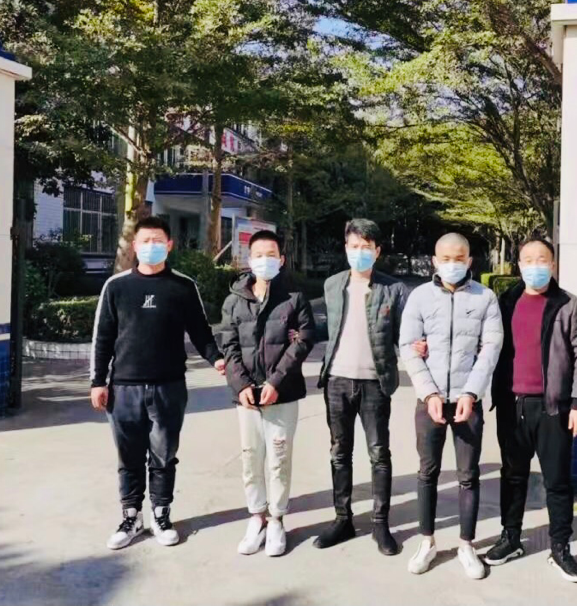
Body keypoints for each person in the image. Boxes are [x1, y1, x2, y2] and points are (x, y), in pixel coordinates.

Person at [91, 216, 226, 550]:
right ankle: (131, 517)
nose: (151, 246)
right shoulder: (117, 287)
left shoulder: (182, 286)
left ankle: (161, 515)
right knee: (129, 457)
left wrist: (217, 359)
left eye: (157, 241)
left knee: (164, 456)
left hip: (169, 387)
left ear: (169, 245)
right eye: (145, 241)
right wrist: (97, 381)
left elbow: (201, 331)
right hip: (123, 389)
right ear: (134, 246)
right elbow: (103, 337)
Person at [484, 237, 577, 583]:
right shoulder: (506, 301)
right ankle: (510, 537)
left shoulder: (568, 304)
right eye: (528, 260)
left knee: (557, 481)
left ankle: (560, 547)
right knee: (512, 475)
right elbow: (485, 344)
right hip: (511, 404)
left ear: (553, 264)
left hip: (553, 408)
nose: (535, 266)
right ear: (519, 265)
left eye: (542, 259)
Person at [399, 232, 503, 579]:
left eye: (459, 258)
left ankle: (466, 545)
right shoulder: (419, 297)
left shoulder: (485, 298)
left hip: (467, 401)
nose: (452, 264)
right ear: (434, 261)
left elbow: (491, 350)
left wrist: (470, 393)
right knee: (427, 473)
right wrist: (429, 393)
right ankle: (427, 541)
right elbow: (408, 348)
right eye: (445, 258)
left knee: (468, 475)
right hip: (428, 401)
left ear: (469, 261)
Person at [313, 219, 409, 556]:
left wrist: (418, 347)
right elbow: (329, 327)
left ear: (377, 251)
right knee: (339, 452)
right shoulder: (333, 284)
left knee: (379, 453)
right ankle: (343, 519)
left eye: (366, 247)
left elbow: (405, 335)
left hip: (375, 382)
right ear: (346, 248)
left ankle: (380, 524)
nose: (360, 252)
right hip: (337, 380)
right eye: (354, 246)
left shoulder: (394, 289)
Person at [220, 230, 315, 557]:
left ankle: (276, 519)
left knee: (279, 459)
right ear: (249, 260)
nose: (265, 260)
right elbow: (229, 346)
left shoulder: (294, 298)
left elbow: (303, 341)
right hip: (247, 397)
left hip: (282, 394)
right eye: (258, 255)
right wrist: (242, 385)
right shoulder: (234, 300)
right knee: (250, 458)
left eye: (271, 254)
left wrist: (275, 383)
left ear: (281, 259)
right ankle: (256, 517)